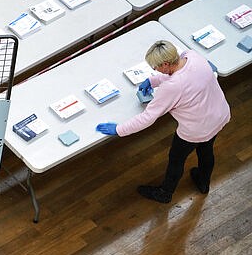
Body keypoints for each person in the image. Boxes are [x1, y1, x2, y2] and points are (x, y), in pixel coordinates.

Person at [96, 40, 231, 203]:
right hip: (218, 116)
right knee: (206, 149)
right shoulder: (193, 56)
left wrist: (119, 129)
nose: (155, 70)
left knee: (176, 159)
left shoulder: (172, 87)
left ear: (166, 63)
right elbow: (182, 74)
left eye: (156, 67)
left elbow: (147, 118)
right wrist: (154, 80)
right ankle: (203, 182)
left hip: (195, 129)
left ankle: (165, 193)